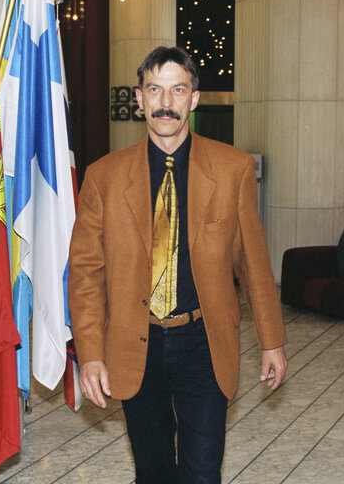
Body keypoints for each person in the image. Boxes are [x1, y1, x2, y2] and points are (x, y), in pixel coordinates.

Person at [68, 46, 287, 483]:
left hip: (205, 342)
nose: (166, 102)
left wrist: (271, 340)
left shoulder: (233, 169)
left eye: (177, 90)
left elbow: (254, 263)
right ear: (139, 98)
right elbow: (86, 273)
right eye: (155, 89)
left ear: (194, 98)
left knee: (202, 470)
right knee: (152, 471)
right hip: (135, 341)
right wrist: (90, 354)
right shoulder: (104, 177)